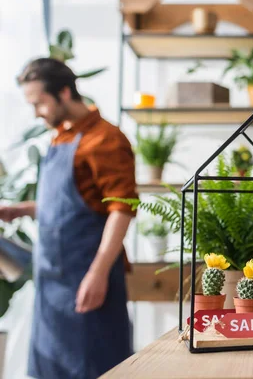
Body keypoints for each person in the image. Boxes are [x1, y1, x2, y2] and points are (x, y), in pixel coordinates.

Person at [0, 58, 137, 378]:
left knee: (97, 367)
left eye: (39, 103)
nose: (36, 113)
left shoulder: (106, 139)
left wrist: (98, 274)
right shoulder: (60, 136)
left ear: (63, 93)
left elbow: (122, 209)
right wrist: (23, 210)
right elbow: (72, 206)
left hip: (87, 278)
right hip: (51, 285)